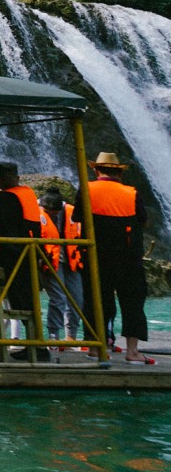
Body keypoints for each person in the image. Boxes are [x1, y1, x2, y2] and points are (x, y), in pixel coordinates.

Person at [84, 151, 153, 364]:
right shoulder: (131, 193)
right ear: (119, 172)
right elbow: (143, 221)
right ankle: (132, 352)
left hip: (96, 255)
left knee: (96, 300)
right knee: (132, 302)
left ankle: (97, 348)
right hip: (128, 257)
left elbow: (78, 216)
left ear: (96, 170)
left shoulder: (86, 189)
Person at [0, 162, 47, 359]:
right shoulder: (28, 193)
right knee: (29, 301)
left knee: (20, 302)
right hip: (29, 254)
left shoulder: (4, 197)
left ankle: (33, 346)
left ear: (1, 178)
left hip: (11, 257)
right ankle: (36, 344)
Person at [39, 186, 85, 346]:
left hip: (72, 261)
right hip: (50, 261)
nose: (52, 214)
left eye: (54, 212)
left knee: (77, 299)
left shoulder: (72, 212)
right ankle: (53, 336)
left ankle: (71, 336)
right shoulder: (38, 213)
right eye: (49, 211)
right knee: (58, 298)